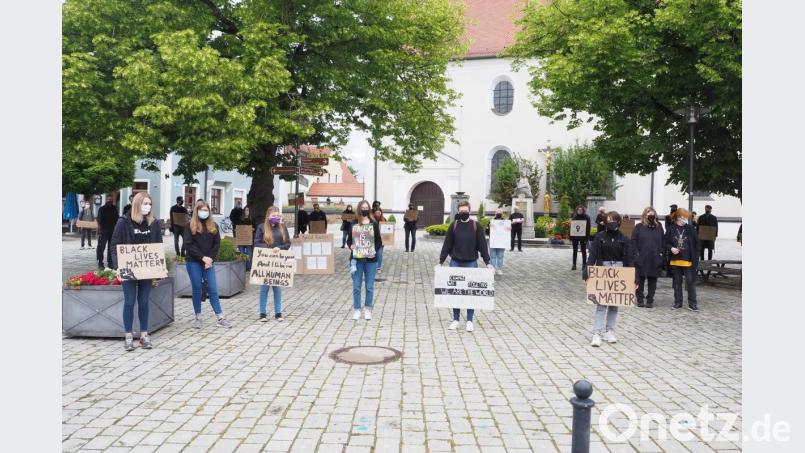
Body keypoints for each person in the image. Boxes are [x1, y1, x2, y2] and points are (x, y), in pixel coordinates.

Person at [110, 192, 163, 351]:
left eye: (150, 204)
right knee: (129, 301)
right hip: (128, 268)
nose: (148, 206)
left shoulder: (153, 223)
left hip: (146, 269)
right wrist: (118, 266)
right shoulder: (123, 222)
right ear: (137, 204)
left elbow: (158, 245)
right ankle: (128, 336)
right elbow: (114, 245)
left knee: (144, 302)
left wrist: (158, 268)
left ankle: (144, 335)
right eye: (145, 203)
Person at [583, 211, 636, 347]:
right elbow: (592, 256)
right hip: (603, 270)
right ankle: (596, 333)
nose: (611, 222)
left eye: (614, 220)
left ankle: (609, 331)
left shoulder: (624, 238)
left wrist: (634, 278)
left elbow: (630, 259)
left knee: (614, 305)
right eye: (609, 220)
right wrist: (587, 273)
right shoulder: (599, 237)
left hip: (619, 271)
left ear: (619, 222)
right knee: (601, 304)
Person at [439, 200, 492, 332]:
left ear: (469, 210)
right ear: (458, 211)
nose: (463, 212)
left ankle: (469, 320)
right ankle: (456, 319)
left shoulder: (476, 226)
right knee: (455, 292)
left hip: (471, 263)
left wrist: (488, 262)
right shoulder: (454, 225)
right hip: (455, 262)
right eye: (461, 211)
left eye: (465, 210)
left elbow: (482, 245)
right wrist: (441, 261)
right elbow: (447, 244)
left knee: (470, 293)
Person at [184, 200, 232, 328]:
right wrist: (202, 258)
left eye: (206, 210)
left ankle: (220, 317)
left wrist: (210, 259)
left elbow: (217, 244)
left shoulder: (213, 226)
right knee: (197, 288)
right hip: (193, 261)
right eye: (201, 210)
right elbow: (189, 245)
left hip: (209, 262)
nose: (204, 212)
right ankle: (198, 317)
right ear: (196, 211)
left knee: (212, 288)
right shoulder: (189, 226)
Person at [347, 200, 384, 321]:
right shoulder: (354, 223)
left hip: (371, 260)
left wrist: (374, 251)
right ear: (359, 209)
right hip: (357, 259)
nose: (364, 209)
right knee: (356, 286)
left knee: (369, 286)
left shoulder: (373, 223)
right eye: (362, 207)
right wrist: (351, 246)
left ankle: (368, 309)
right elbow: (349, 240)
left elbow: (378, 242)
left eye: (366, 207)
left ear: (369, 209)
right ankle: (357, 310)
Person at [254, 206, 291, 321]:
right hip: (266, 262)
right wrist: (269, 248)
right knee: (264, 288)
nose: (276, 217)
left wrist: (279, 248)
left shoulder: (283, 227)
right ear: (268, 216)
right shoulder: (261, 227)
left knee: (277, 288)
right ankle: (262, 313)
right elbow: (256, 243)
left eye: (278, 215)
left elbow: (287, 243)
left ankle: (278, 313)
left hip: (278, 262)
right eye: (274, 215)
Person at [665, 208, 699, 311]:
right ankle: (678, 303)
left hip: (688, 259)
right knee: (676, 282)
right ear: (678, 217)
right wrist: (671, 248)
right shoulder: (671, 229)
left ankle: (692, 304)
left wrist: (696, 257)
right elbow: (665, 242)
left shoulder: (690, 228)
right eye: (683, 217)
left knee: (690, 281)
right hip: (675, 260)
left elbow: (697, 243)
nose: (685, 219)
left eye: (686, 217)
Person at [632, 207, 665, 308]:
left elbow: (663, 241)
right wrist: (636, 254)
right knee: (640, 279)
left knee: (652, 279)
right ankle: (640, 299)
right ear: (645, 215)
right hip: (642, 257)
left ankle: (650, 299)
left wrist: (661, 253)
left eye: (652, 213)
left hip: (655, 257)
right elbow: (633, 241)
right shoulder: (639, 226)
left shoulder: (659, 226)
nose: (651, 215)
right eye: (649, 213)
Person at [96, 195, 119, 269]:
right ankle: (100, 263)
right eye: (108, 199)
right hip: (104, 230)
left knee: (111, 247)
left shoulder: (115, 208)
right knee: (101, 247)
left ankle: (110, 263)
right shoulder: (102, 209)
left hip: (113, 231)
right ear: (106, 200)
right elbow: (99, 219)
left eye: (111, 199)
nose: (110, 201)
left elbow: (117, 218)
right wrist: (99, 229)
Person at [571, 206, 591, 270]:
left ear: (583, 210)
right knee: (575, 250)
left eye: (581, 210)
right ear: (577, 210)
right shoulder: (574, 217)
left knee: (583, 251)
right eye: (578, 210)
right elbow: (572, 227)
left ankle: (584, 264)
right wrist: (571, 236)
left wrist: (587, 237)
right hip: (575, 236)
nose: (579, 211)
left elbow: (588, 228)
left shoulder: (587, 217)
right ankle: (574, 264)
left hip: (583, 236)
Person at [488, 209, 506, 275]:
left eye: (500, 213)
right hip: (493, 241)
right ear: (495, 214)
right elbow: (487, 232)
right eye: (497, 213)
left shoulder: (505, 222)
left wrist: (509, 228)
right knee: (492, 256)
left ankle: (499, 269)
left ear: (502, 214)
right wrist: (489, 227)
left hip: (501, 241)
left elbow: (507, 232)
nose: (498, 214)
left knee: (500, 256)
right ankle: (493, 269)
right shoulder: (491, 221)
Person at [373, 208, 387, 274]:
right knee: (374, 253)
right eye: (376, 213)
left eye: (379, 213)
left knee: (380, 254)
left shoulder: (384, 219)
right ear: (374, 213)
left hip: (381, 240)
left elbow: (387, 229)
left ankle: (378, 267)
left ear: (381, 213)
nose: (378, 214)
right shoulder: (372, 220)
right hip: (373, 240)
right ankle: (373, 266)